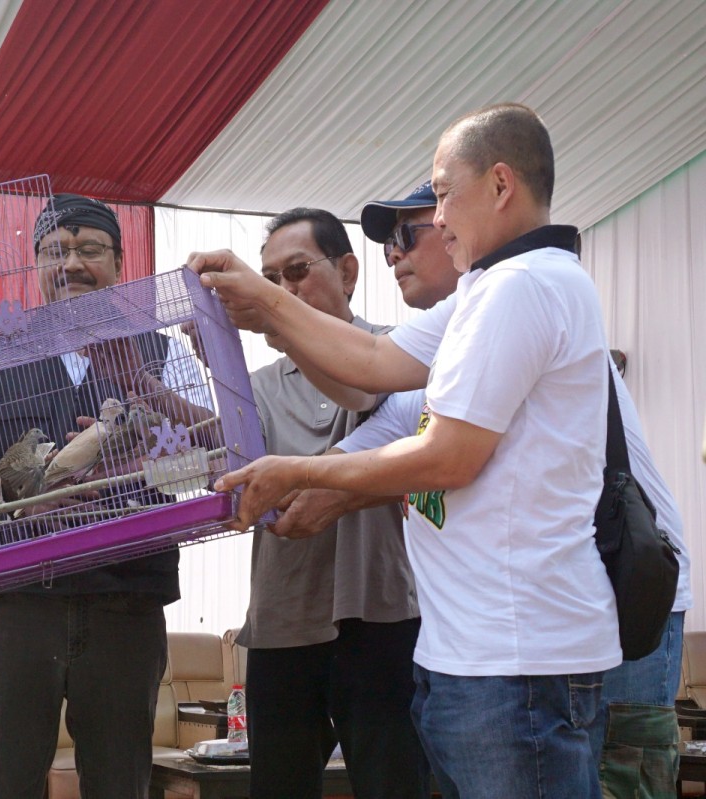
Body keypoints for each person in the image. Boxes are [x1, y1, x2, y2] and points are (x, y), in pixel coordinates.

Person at [193, 103, 619, 797]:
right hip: (470, 656)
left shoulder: (525, 285)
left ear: (502, 185)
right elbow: (373, 358)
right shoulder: (487, 291)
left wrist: (299, 470)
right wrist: (263, 302)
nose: (438, 217)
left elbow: (449, 455)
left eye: (444, 193)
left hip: (517, 658)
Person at [285, 179, 691, 796]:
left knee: (619, 777)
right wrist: (296, 492)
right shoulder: (443, 354)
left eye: (408, 233)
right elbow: (372, 415)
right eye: (386, 245)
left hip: (616, 592)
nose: (393, 255)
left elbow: (441, 458)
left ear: (462, 232)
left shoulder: (522, 302)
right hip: (518, 636)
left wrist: (302, 475)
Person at [0, 193, 211, 797]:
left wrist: (147, 445)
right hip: (17, 602)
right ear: (35, 268)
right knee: (6, 780)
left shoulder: (161, 349)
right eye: (52, 252)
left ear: (121, 261)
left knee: (121, 780)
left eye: (88, 249)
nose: (69, 264)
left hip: (128, 599)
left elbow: (209, 462)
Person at [238, 208, 427, 798]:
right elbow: (229, 455)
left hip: (382, 613)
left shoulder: (400, 351)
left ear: (348, 272)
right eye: (269, 282)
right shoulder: (259, 383)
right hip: (283, 618)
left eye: (296, 272)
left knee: (392, 782)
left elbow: (371, 395)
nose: (283, 292)